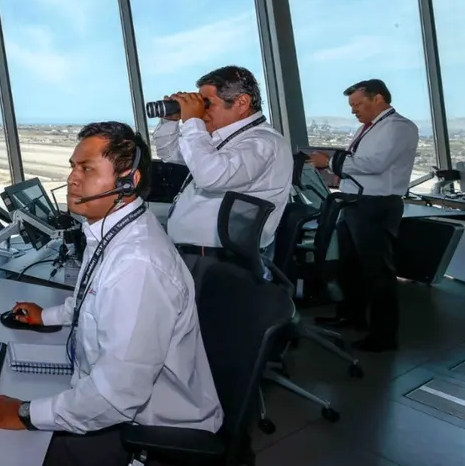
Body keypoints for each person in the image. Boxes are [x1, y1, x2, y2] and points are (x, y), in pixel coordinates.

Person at [0, 121, 223, 466]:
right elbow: (94, 297)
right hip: (119, 404)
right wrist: (47, 316)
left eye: (86, 169)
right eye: (73, 166)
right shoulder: (114, 231)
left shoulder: (138, 265)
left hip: (149, 428)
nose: (72, 178)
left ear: (129, 181)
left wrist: (24, 412)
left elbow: (115, 397)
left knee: (0, 454)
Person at [309, 79, 417, 352]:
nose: (354, 111)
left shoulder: (399, 127)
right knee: (350, 266)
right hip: (355, 204)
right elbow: (358, 164)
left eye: (357, 104)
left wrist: (330, 161)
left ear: (378, 98)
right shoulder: (369, 128)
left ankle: (382, 336)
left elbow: (375, 164)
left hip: (376, 206)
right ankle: (352, 316)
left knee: (377, 272)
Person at [153, 66, 292, 275]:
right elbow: (170, 153)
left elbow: (211, 177)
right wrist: (170, 121)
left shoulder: (262, 143)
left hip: (222, 264)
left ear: (241, 103)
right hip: (203, 258)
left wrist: (193, 121)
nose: (202, 111)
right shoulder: (225, 138)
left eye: (207, 104)